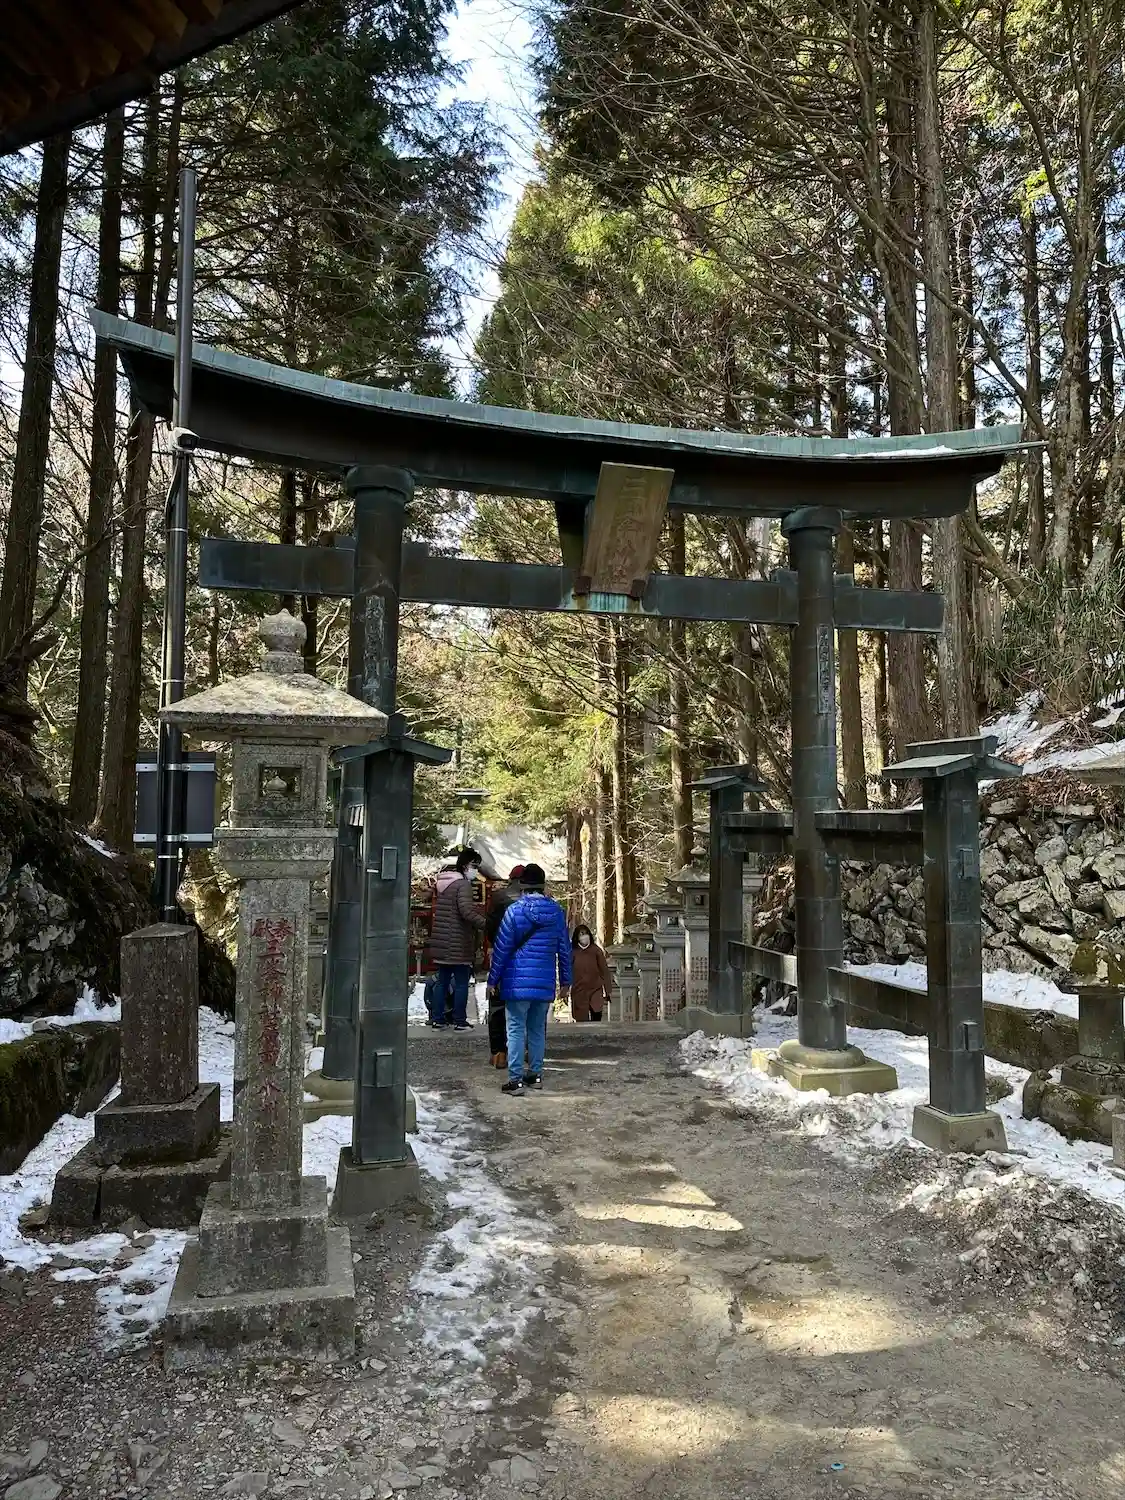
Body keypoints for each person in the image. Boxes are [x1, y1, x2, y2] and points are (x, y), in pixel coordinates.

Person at [486, 863, 571, 1095]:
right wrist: (566, 981)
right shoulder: (556, 912)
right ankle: (535, 1075)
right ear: (543, 885)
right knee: (536, 1030)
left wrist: (492, 980)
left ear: (522, 885)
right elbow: (564, 949)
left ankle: (515, 1080)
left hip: (516, 982)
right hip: (544, 981)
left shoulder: (514, 911)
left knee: (515, 1029)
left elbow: (502, 950)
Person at [429, 847, 486, 1030]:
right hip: (458, 942)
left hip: (442, 941)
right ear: (464, 865)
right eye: (474, 866)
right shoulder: (463, 885)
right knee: (461, 983)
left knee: (442, 982)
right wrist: (486, 924)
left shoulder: (445, 884)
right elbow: (466, 912)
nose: (476, 870)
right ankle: (459, 1020)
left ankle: (437, 1019)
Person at [484, 864, 525, 1068]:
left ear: (510, 879)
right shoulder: (535, 899)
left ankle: (498, 1053)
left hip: (502, 955)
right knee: (529, 1007)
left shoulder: (499, 897)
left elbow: (489, 928)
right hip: (527, 958)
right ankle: (527, 1050)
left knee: (498, 1006)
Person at [569, 924, 612, 1022]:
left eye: (586, 933)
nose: (584, 936)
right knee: (581, 1019)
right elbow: (567, 970)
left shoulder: (596, 951)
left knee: (596, 1015)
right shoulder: (572, 952)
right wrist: (565, 988)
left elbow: (604, 971)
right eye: (581, 934)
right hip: (579, 990)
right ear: (577, 937)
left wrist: (608, 990)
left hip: (595, 989)